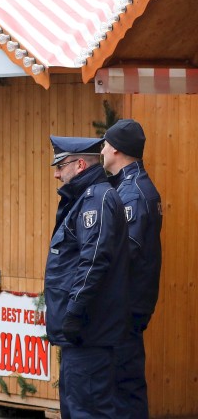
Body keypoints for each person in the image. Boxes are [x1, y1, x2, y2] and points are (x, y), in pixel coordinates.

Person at [46, 135, 130, 419]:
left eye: (60, 165)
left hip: (88, 331)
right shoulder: (85, 198)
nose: (57, 174)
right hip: (80, 333)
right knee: (75, 408)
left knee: (88, 410)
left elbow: (94, 261)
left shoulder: (97, 199)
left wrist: (73, 312)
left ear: (80, 164)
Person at [102, 120, 162, 419]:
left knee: (125, 387)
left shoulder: (133, 192)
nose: (101, 150)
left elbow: (128, 249)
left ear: (115, 149)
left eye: (104, 144)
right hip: (129, 303)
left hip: (126, 305)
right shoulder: (130, 187)